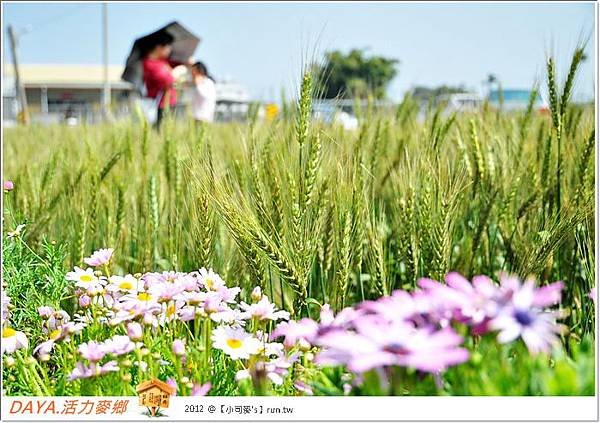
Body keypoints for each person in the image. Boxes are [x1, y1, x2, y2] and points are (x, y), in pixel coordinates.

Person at [141, 32, 187, 129]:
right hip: (159, 106)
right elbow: (167, 80)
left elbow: (178, 65)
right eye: (168, 46)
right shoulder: (149, 63)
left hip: (169, 103)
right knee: (160, 131)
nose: (170, 50)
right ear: (158, 47)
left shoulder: (162, 61)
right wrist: (177, 73)